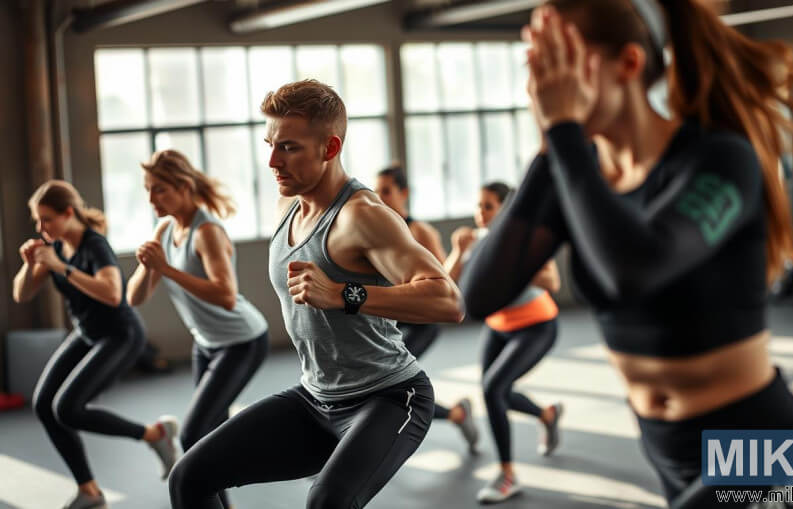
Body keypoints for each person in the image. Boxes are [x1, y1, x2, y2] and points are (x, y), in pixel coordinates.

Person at [459, 1, 793, 507]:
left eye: (564, 62)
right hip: (665, 448)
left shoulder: (719, 159)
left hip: (770, 449)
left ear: (629, 65)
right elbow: (476, 296)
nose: (547, 83)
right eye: (539, 64)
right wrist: (549, 152)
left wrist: (565, 136)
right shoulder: (574, 170)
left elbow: (633, 270)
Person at [168, 79, 464, 509]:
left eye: (288, 147)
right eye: (270, 144)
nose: (272, 160)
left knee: (326, 502)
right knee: (189, 477)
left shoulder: (362, 216)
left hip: (390, 398)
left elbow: (447, 300)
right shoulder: (288, 202)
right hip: (316, 397)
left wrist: (346, 294)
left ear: (329, 148)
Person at [12, 180, 178, 509]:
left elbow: (113, 293)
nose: (41, 227)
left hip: (121, 334)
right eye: (37, 222)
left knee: (68, 409)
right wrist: (30, 265)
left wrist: (61, 268)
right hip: (88, 334)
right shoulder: (56, 247)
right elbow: (22, 294)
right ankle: (89, 490)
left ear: (68, 213)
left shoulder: (93, 245)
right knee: (45, 404)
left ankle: (155, 435)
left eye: (47, 219)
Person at [127, 149, 270, 508]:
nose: (151, 198)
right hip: (206, 344)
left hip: (242, 340)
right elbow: (135, 298)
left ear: (183, 186)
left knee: (193, 434)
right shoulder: (166, 229)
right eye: (148, 189)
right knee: (212, 432)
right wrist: (148, 267)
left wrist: (168, 269)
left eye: (159, 189)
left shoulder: (206, 231)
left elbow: (225, 295)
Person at [446, 181, 562, 504]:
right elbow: (446, 286)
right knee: (496, 391)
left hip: (536, 326)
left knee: (494, 389)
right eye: (478, 206)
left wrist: (516, 261)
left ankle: (507, 474)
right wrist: (459, 249)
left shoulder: (528, 239)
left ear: (505, 210)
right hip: (498, 327)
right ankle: (547, 415)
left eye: (488, 206)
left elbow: (553, 281)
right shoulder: (477, 241)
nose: (480, 213)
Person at [375, 165, 478, 452]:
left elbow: (445, 280)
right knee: (381, 385)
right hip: (391, 323)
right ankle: (457, 414)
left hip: (421, 324)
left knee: (387, 384)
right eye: (376, 191)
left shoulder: (420, 231)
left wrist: (459, 251)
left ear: (403, 193)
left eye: (386, 191)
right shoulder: (377, 232)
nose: (379, 198)